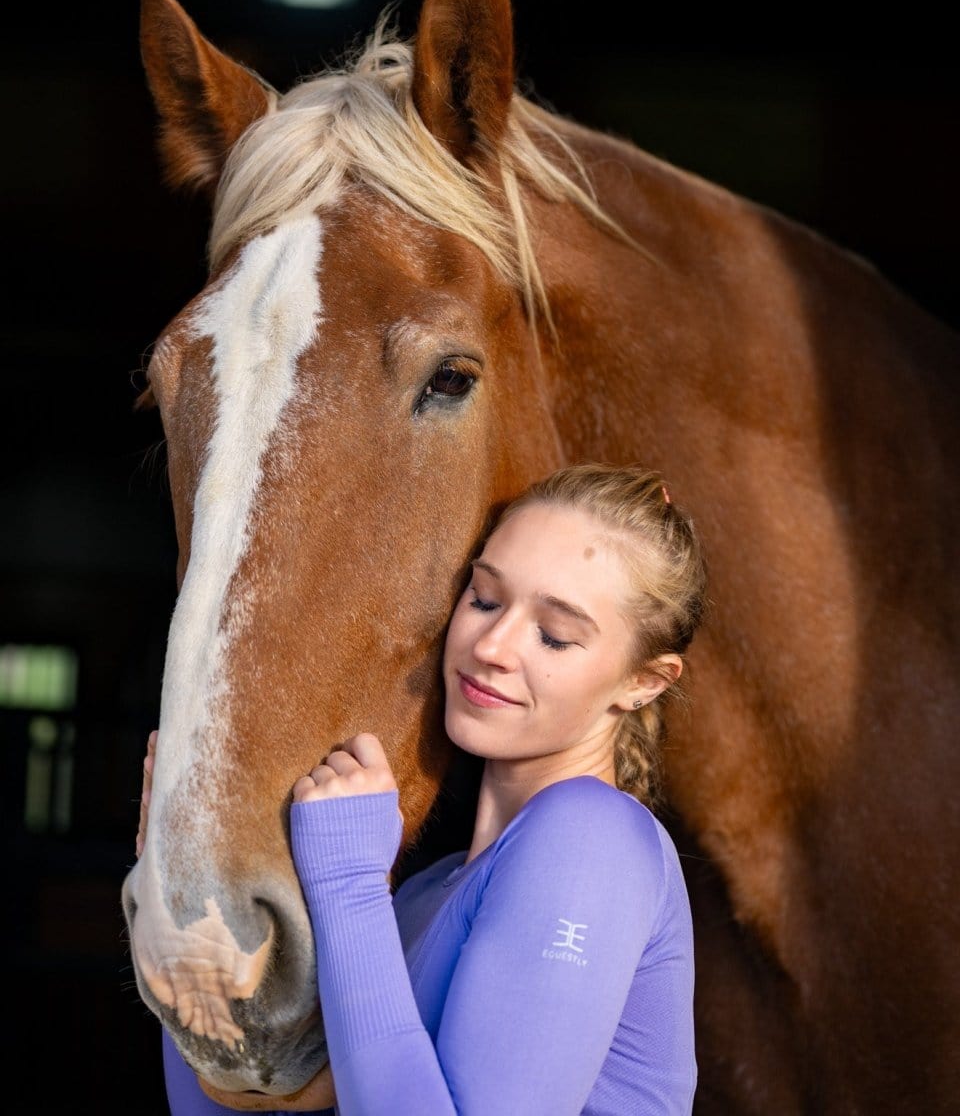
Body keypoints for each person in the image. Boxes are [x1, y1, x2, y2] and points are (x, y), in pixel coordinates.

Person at [140, 462, 707, 1115]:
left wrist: (350, 882)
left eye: (555, 636)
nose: (492, 644)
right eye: (486, 599)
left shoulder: (593, 841)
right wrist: (187, 883)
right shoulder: (419, 894)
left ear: (645, 681)